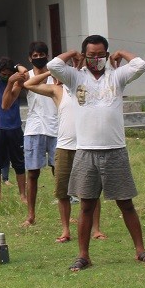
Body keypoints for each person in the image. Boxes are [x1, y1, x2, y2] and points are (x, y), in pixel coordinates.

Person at [48, 35, 145, 271]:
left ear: (107, 55)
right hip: (86, 151)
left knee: (126, 204)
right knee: (86, 206)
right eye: (91, 54)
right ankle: (83, 256)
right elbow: (53, 66)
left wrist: (122, 54)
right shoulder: (74, 77)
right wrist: (71, 54)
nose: (95, 59)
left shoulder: (116, 77)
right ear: (84, 55)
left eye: (100, 54)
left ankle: (141, 250)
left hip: (115, 150)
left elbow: (141, 65)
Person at [23, 67, 104, 244]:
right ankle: (65, 230)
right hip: (64, 147)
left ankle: (96, 229)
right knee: (62, 191)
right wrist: (49, 74)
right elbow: (28, 83)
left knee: (91, 190)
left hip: (86, 146)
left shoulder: (84, 90)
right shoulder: (57, 91)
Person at [7, 41, 58, 227]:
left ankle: (65, 214)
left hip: (56, 127)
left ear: (47, 55)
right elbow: (10, 98)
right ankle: (31, 215)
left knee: (58, 173)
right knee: (33, 174)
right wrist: (12, 82)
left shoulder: (57, 74)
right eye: (34, 56)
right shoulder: (26, 76)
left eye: (41, 55)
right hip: (34, 128)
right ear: (30, 58)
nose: (38, 58)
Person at [0, 57, 27, 201]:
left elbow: (25, 73)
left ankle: (22, 194)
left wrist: (17, 65)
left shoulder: (16, 84)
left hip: (14, 127)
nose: (6, 76)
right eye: (3, 73)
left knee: (19, 162)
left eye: (9, 73)